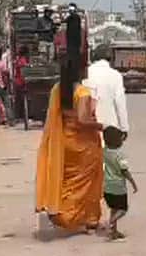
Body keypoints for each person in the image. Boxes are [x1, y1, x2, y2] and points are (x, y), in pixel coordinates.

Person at [35, 56, 105, 234]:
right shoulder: (82, 92)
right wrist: (101, 126)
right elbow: (82, 120)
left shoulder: (58, 89)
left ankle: (65, 210)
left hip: (65, 141)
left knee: (70, 182)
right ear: (80, 71)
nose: (88, 68)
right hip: (83, 145)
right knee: (85, 184)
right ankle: (72, 216)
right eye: (85, 66)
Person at [87, 45, 130, 141]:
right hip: (109, 127)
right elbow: (120, 103)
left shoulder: (86, 73)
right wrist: (124, 128)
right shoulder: (116, 75)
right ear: (110, 59)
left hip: (88, 125)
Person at [102, 126, 137, 240]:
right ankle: (111, 222)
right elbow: (124, 171)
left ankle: (114, 232)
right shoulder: (119, 155)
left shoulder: (104, 152)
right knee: (122, 209)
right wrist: (133, 183)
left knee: (114, 208)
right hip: (118, 186)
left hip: (107, 186)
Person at [10, 46, 30, 126]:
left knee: (18, 100)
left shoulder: (18, 60)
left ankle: (18, 117)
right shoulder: (22, 60)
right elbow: (24, 69)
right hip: (21, 82)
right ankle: (19, 117)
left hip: (18, 81)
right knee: (20, 100)